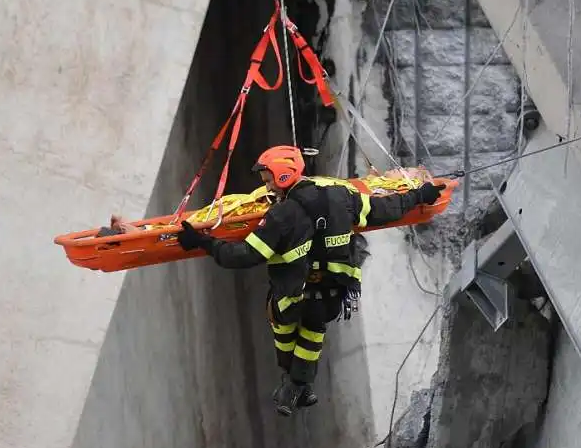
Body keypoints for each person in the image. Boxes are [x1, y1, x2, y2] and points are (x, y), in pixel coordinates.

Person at [175, 145, 445, 416]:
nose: (268, 189)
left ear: (283, 175)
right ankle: (299, 386)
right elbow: (387, 208)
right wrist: (421, 194)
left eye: (269, 180)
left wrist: (201, 242)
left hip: (293, 301)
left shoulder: (281, 217)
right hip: (333, 298)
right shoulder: (342, 197)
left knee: (281, 318)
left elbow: (242, 255)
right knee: (313, 330)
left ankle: (291, 382)